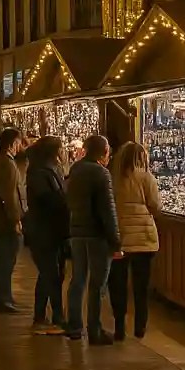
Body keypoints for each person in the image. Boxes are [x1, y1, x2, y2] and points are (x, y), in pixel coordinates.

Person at [65, 134, 120, 344]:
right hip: (97, 235)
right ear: (104, 153)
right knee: (97, 284)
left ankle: (74, 325)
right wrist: (115, 241)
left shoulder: (75, 170)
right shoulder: (101, 174)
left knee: (78, 279)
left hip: (77, 232)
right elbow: (108, 210)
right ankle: (94, 330)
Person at [108, 139, 160, 341]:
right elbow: (155, 205)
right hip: (145, 238)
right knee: (141, 286)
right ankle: (140, 327)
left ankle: (119, 327)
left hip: (119, 237)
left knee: (118, 285)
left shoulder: (112, 179)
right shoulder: (147, 178)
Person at [23, 136, 70, 335]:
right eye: (61, 149)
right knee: (50, 274)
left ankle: (46, 316)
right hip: (43, 231)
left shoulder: (50, 169)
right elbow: (49, 200)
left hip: (53, 230)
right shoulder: (40, 172)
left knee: (52, 274)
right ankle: (51, 317)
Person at [0, 128, 27, 313]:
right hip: (4, 220)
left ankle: (4, 296)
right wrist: (16, 218)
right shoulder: (7, 165)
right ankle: (4, 298)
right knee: (6, 258)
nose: (20, 146)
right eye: (18, 142)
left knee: (2, 258)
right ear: (11, 144)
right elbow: (10, 196)